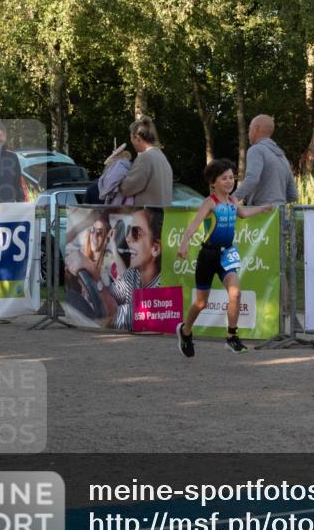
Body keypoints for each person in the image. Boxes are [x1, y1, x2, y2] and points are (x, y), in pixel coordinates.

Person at [175, 159, 271, 356]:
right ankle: (185, 330)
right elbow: (194, 225)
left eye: (232, 178)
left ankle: (231, 337)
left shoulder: (233, 201)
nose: (229, 182)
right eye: (224, 178)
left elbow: (242, 214)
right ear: (213, 182)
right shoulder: (210, 203)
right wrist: (184, 244)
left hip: (227, 254)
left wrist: (261, 208)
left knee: (235, 293)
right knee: (202, 303)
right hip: (208, 256)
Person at [105, 207, 164, 331]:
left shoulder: (163, 285)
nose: (127, 238)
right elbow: (107, 298)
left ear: (155, 249)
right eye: (129, 231)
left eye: (136, 232)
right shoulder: (133, 274)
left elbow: (111, 314)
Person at [234, 114, 298, 207]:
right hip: (280, 214)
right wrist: (276, 203)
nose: (248, 133)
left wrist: (232, 199)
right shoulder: (282, 156)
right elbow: (293, 195)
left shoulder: (256, 150)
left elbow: (252, 179)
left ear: (256, 129)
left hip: (261, 214)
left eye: (249, 129)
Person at [119, 116, 173, 206]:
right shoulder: (161, 156)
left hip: (146, 216)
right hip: (161, 214)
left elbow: (126, 189)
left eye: (131, 138)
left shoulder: (145, 157)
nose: (131, 142)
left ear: (137, 138)